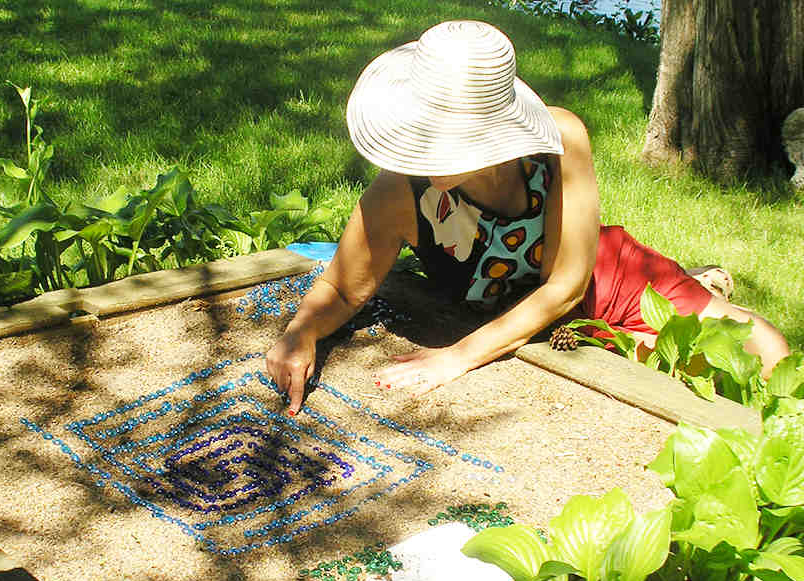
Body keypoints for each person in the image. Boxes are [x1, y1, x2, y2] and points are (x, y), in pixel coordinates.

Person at [266, 20, 790, 415]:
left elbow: (567, 285)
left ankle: (700, 287)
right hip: (533, 325)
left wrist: (457, 356)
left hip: (607, 283)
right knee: (661, 378)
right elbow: (342, 289)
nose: (430, 152)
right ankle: (707, 285)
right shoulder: (399, 195)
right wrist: (300, 334)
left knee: (766, 353)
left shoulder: (560, 140)